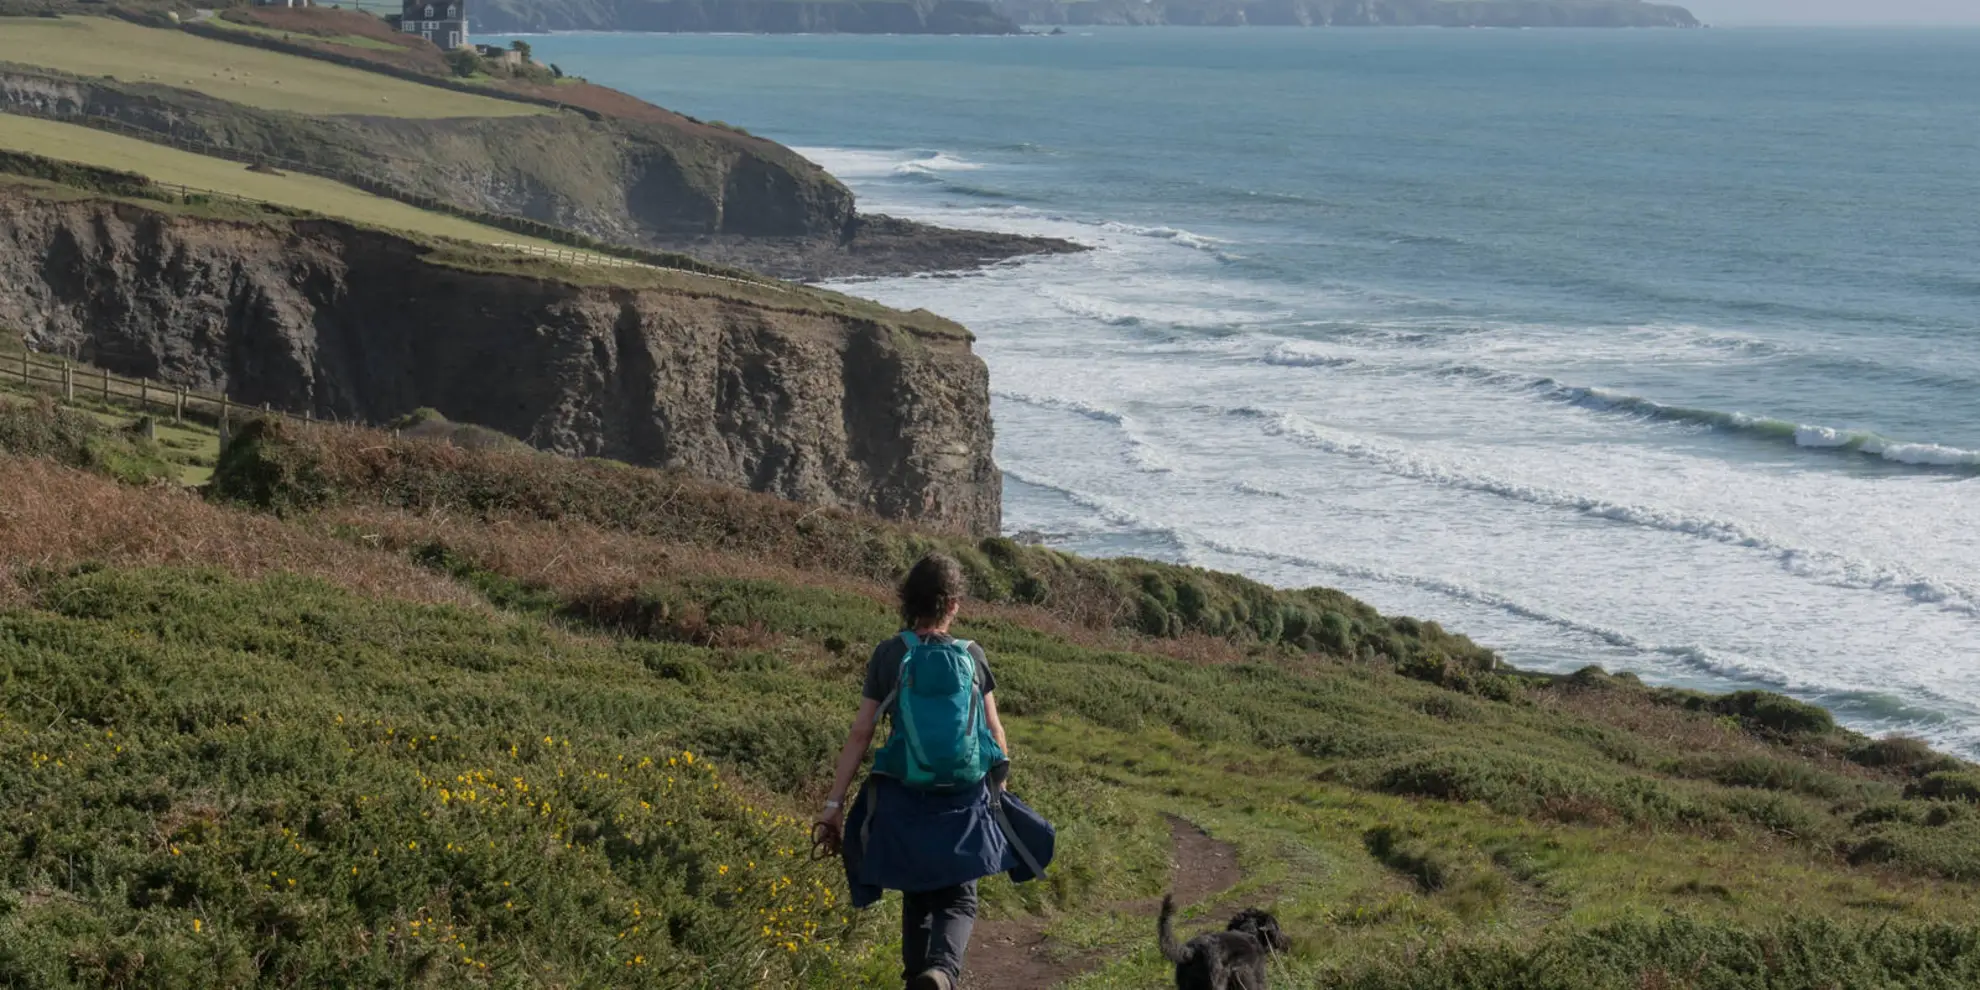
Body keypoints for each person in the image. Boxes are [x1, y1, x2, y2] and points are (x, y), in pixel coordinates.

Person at [815, 553, 1052, 990]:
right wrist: (996, 795)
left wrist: (834, 805)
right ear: (953, 604)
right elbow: (996, 733)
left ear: (907, 601)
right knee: (959, 898)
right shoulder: (972, 655)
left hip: (905, 796)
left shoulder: (890, 655)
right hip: (964, 796)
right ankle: (942, 972)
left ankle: (917, 979)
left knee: (917, 893)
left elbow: (861, 733)